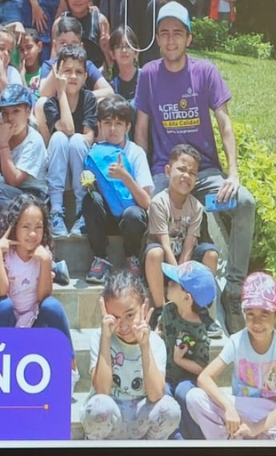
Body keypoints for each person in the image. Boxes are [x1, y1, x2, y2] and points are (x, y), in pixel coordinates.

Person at [134, 2, 255, 332]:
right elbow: (141, 131)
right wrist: (144, 177)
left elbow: (225, 123)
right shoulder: (148, 74)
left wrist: (233, 173)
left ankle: (232, 290)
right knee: (149, 208)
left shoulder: (206, 72)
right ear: (157, 39)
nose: (170, 41)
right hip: (164, 171)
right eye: (164, 34)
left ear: (188, 38)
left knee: (244, 203)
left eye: (177, 34)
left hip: (205, 176)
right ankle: (159, 299)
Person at [186, 272, 276, 440]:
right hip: (240, 405)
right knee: (194, 397)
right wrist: (228, 407)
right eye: (250, 314)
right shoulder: (236, 341)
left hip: (268, 409)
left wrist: (256, 427)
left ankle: (254, 437)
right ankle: (230, 443)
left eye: (264, 314)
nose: (257, 322)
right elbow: (204, 378)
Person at [0, 194, 78, 390]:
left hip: (33, 318)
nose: (33, 234)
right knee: (4, 305)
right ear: (14, 229)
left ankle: (70, 367)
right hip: (7, 320)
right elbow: (1, 290)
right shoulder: (6, 254)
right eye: (26, 227)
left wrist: (45, 262)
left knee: (52, 306)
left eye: (38, 227)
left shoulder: (43, 254)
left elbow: (43, 296)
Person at [82, 271, 181, 440]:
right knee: (99, 406)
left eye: (130, 315)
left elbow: (156, 394)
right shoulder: (100, 337)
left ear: (144, 306)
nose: (124, 325)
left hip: (139, 418)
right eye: (115, 317)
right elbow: (102, 391)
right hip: (111, 416)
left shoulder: (156, 343)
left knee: (171, 409)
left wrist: (144, 345)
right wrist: (106, 339)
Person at [140, 143, 221, 333]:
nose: (187, 176)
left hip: (184, 261)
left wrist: (183, 275)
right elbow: (164, 243)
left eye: (192, 173)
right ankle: (162, 310)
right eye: (182, 169)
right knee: (155, 252)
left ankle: (202, 310)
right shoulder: (159, 203)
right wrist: (175, 274)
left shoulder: (196, 207)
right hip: (160, 263)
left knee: (211, 254)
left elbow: (190, 244)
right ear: (168, 171)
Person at [81, 94, 152, 284]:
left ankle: (132, 256)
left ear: (128, 127)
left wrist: (125, 177)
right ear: (100, 126)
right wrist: (89, 183)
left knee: (134, 215)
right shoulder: (95, 152)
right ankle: (100, 257)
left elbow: (146, 202)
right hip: (106, 218)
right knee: (91, 200)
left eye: (119, 124)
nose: (113, 129)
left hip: (130, 218)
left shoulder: (135, 153)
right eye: (108, 123)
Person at [36, 44, 98, 239]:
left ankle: (82, 211)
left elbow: (88, 135)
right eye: (67, 71)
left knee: (77, 141)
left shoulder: (88, 98)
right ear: (57, 74)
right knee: (60, 138)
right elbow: (67, 128)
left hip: (82, 167)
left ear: (86, 76)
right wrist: (61, 92)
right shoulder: (52, 103)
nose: (72, 76)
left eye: (78, 72)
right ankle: (55, 210)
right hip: (59, 169)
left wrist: (76, 141)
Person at [158, 261, 216, 439]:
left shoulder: (199, 330)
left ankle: (195, 437)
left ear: (187, 298)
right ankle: (173, 436)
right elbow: (160, 330)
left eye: (174, 283)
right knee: (163, 392)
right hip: (166, 374)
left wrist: (180, 360)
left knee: (183, 393)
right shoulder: (168, 310)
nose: (168, 283)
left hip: (187, 379)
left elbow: (202, 367)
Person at [0, 84, 48, 217]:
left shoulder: (33, 140)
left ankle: (21, 227)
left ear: (27, 111)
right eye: (5, 113)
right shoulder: (0, 139)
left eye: (16, 111)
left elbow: (14, 180)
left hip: (34, 197)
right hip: (10, 193)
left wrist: (4, 145)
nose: (10, 118)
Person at [107, 26, 140, 103]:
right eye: (118, 47)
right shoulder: (111, 86)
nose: (124, 50)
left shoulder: (146, 78)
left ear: (136, 52)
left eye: (128, 46)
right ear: (112, 54)